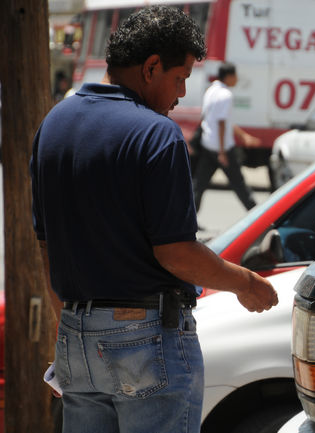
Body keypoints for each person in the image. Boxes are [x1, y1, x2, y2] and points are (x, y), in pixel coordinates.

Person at [30, 7, 278, 433]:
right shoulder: (156, 133)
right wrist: (245, 283)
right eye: (180, 78)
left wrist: (71, 326)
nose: (182, 93)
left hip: (75, 336)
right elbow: (176, 254)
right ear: (150, 68)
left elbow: (47, 248)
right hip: (145, 341)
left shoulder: (53, 125)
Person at [192, 62, 261, 212]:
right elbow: (222, 123)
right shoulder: (226, 95)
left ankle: (187, 216)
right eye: (235, 76)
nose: (237, 79)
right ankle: (258, 215)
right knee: (239, 185)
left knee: (199, 185)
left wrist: (244, 136)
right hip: (221, 148)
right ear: (229, 76)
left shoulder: (210, 91)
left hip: (208, 143)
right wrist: (222, 152)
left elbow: (222, 121)